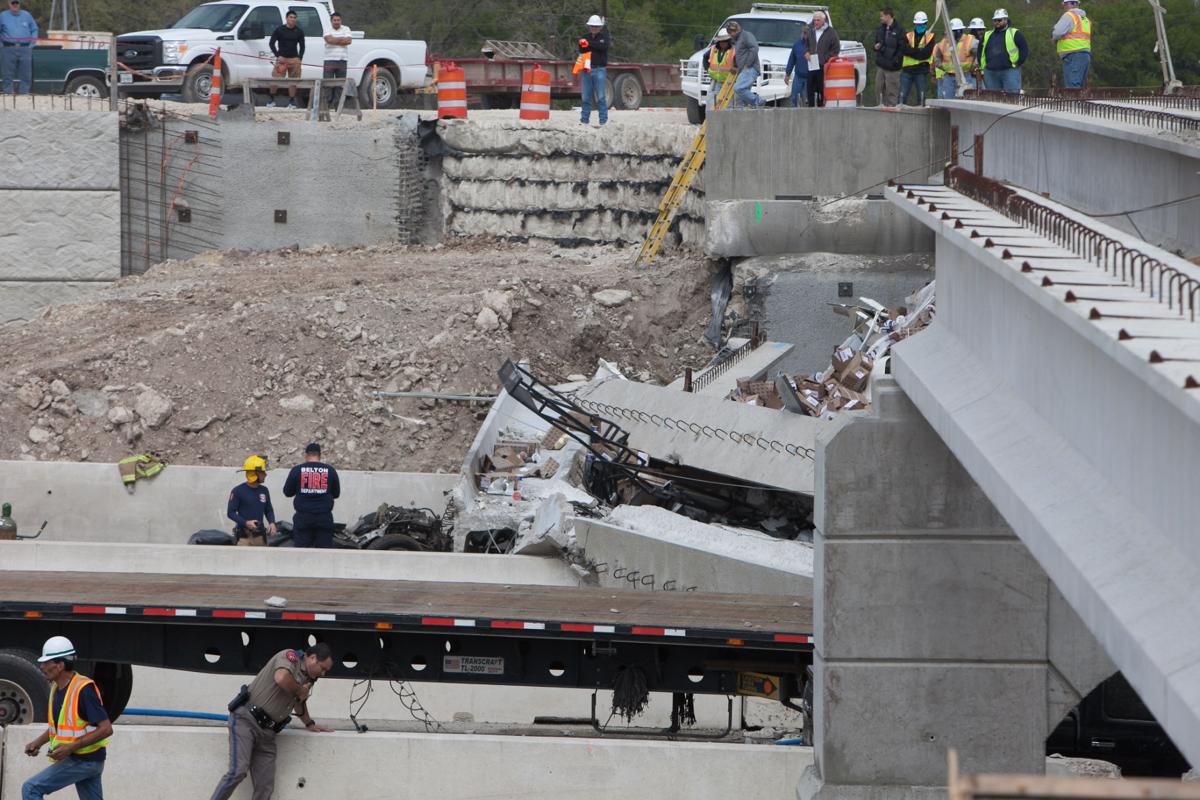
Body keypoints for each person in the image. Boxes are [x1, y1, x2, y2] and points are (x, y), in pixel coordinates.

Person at [208, 643, 334, 800]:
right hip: (246, 721)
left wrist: (310, 724)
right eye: (323, 668)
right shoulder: (290, 657)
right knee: (238, 771)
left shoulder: (308, 678)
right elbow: (281, 678)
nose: (323, 673)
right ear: (313, 658)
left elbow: (298, 702)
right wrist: (300, 690)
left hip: (268, 733)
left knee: (265, 786)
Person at [22, 636, 114, 800]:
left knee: (31, 789)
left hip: (84, 760)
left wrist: (70, 748)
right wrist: (38, 742)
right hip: (88, 760)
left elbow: (106, 729)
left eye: (46, 663)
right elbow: (58, 727)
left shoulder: (83, 689)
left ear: (60, 665)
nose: (42, 667)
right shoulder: (57, 688)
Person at [282, 442, 340, 548]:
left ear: (306, 455)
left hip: (303, 518)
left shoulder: (296, 470)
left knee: (302, 552)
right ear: (319, 455)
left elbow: (287, 492)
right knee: (324, 552)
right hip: (324, 517)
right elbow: (336, 494)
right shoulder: (330, 470)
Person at [228, 455, 277, 546]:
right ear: (254, 474)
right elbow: (231, 513)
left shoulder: (264, 490)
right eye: (263, 472)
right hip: (243, 538)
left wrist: (272, 522)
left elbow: (268, 510)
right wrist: (246, 523)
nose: (265, 474)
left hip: (260, 537)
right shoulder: (238, 491)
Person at [981, 9, 1028, 94]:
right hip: (991, 72)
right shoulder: (987, 35)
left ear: (1006, 20)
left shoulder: (1014, 33)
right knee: (993, 99)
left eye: (999, 20)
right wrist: (983, 66)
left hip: (1010, 71)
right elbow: (980, 51)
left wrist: (1018, 62)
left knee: (1012, 98)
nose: (997, 22)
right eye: (995, 20)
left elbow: (1024, 49)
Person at [802, 11, 840, 107]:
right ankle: (810, 108)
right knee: (810, 87)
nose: (816, 22)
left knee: (821, 89)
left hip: (824, 65)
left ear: (824, 20)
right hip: (812, 63)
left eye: (818, 20)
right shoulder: (811, 31)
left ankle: (821, 107)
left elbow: (836, 49)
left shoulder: (831, 32)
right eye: (814, 20)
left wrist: (825, 58)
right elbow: (806, 44)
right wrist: (806, 52)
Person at [268, 10, 305, 109]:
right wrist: (277, 55)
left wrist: (299, 58)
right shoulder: (280, 30)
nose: (293, 19)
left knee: (293, 81)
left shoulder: (299, 31)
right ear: (287, 18)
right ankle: (271, 99)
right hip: (282, 59)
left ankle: (291, 102)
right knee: (276, 79)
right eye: (291, 17)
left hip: (294, 59)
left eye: (294, 17)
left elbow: (302, 46)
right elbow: (271, 43)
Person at [0, 0, 38, 95]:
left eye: (17, 3)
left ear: (19, 4)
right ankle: (7, 93)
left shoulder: (27, 15)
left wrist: (32, 43)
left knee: (26, 73)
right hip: (8, 48)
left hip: (25, 48)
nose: (15, 5)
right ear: (9, 4)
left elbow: (34, 29)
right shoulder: (3, 16)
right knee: (7, 73)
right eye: (13, 3)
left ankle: (24, 93)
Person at [933, 18, 977, 99]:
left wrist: (973, 66)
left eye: (952, 31)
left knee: (966, 101)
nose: (950, 34)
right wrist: (944, 67)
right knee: (948, 101)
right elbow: (936, 57)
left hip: (965, 76)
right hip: (949, 77)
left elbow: (979, 54)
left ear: (959, 31)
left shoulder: (970, 41)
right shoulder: (944, 42)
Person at [578, 14, 610, 126]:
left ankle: (603, 120)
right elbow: (581, 48)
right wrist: (589, 45)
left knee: (601, 96)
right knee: (585, 97)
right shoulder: (584, 37)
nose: (594, 28)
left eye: (596, 26)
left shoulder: (604, 37)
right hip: (587, 69)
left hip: (599, 69)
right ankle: (584, 120)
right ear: (589, 26)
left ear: (600, 27)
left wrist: (589, 44)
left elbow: (603, 47)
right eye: (592, 26)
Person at [1053, 0, 1091, 89]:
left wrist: (1054, 38)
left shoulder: (1069, 16)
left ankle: (1075, 103)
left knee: (1072, 86)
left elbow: (1058, 32)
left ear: (1073, 4)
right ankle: (1079, 103)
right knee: (1080, 86)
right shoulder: (1085, 19)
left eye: (1065, 4)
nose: (1064, 6)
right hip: (1084, 55)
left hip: (1073, 55)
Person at [725, 20, 763, 109]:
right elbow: (739, 54)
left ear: (738, 29)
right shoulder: (736, 40)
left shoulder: (746, 35)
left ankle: (758, 101)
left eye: (733, 31)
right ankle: (743, 115)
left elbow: (754, 48)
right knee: (740, 98)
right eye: (730, 32)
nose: (732, 33)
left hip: (750, 68)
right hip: (743, 70)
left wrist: (748, 64)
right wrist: (736, 65)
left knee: (739, 88)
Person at [899, 11, 935, 106]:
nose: (919, 27)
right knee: (902, 96)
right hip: (907, 70)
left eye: (922, 25)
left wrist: (912, 51)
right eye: (918, 25)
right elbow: (903, 49)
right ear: (914, 24)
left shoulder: (930, 37)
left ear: (926, 24)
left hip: (921, 71)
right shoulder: (907, 36)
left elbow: (926, 54)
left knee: (921, 96)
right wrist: (918, 51)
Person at [873, 7, 905, 107]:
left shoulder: (900, 30)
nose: (881, 18)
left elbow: (902, 48)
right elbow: (877, 43)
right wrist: (875, 47)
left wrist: (895, 61)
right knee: (878, 89)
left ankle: (891, 111)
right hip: (881, 65)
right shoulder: (880, 30)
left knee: (891, 91)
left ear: (888, 16)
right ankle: (880, 108)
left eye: (882, 16)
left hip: (893, 68)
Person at [322, 11, 352, 108]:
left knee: (340, 85)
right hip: (329, 60)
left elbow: (348, 41)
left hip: (342, 60)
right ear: (331, 21)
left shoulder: (346, 28)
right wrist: (341, 39)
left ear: (341, 20)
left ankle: (338, 106)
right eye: (334, 20)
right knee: (327, 84)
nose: (336, 22)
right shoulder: (327, 28)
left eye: (338, 20)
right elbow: (329, 40)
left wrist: (335, 39)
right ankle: (326, 106)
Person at [704, 28, 736, 109]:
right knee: (711, 101)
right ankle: (711, 119)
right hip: (716, 81)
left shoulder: (734, 50)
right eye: (721, 41)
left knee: (728, 104)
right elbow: (705, 57)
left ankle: (725, 120)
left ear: (729, 41)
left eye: (725, 41)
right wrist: (708, 69)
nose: (723, 43)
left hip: (729, 82)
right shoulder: (713, 49)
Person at [784, 24, 808, 108]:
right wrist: (787, 74)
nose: (806, 35)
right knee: (794, 97)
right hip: (798, 76)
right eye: (804, 32)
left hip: (810, 78)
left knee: (807, 99)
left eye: (807, 32)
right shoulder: (797, 45)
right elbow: (792, 60)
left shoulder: (815, 45)